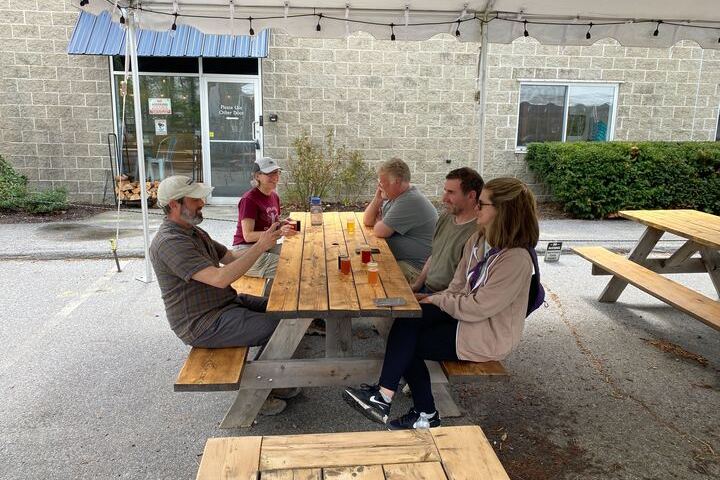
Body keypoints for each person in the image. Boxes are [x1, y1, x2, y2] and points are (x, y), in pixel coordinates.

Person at [344, 177, 540, 430]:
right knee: (409, 318)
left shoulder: (516, 260)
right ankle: (388, 399)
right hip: (464, 316)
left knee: (410, 344)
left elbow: (478, 307)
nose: (477, 208)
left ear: (504, 212)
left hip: (485, 334)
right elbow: (458, 286)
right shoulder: (480, 240)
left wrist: (435, 299)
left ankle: (418, 411)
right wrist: (430, 299)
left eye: (483, 204)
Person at [149, 175, 297, 414]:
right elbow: (220, 278)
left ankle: (273, 380)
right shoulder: (169, 242)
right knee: (283, 328)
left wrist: (271, 237)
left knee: (287, 310)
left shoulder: (192, 231)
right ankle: (259, 394)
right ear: (174, 204)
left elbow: (230, 257)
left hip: (226, 304)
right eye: (195, 198)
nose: (202, 203)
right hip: (203, 323)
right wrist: (260, 246)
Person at [363, 158, 438, 284]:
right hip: (399, 260)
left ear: (396, 182)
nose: (380, 186)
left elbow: (379, 231)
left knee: (368, 278)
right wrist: (378, 199)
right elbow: (368, 220)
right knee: (363, 269)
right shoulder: (396, 196)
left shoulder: (410, 200)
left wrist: (380, 222)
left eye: (383, 182)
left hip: (414, 269)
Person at [411, 167, 484, 295]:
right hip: (426, 289)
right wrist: (417, 285)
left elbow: (466, 287)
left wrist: (429, 298)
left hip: (448, 301)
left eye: (451, 192)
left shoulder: (479, 232)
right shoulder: (446, 217)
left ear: (471, 195)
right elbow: (434, 256)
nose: (444, 199)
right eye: (445, 191)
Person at [232, 157, 298, 278]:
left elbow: (271, 223)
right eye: (270, 173)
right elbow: (248, 236)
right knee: (292, 267)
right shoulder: (249, 200)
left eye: (277, 172)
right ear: (257, 176)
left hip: (265, 246)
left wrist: (282, 223)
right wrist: (280, 232)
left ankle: (272, 296)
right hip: (246, 252)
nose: (275, 177)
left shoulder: (274, 196)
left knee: (298, 254)